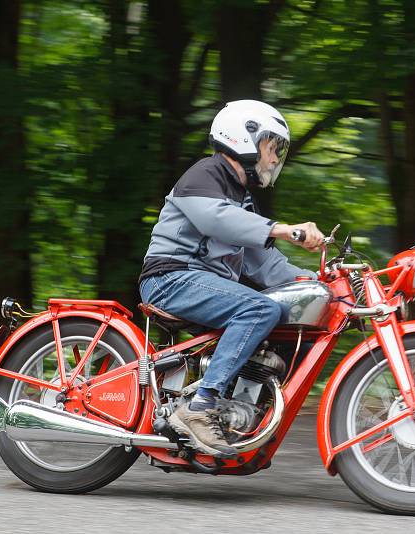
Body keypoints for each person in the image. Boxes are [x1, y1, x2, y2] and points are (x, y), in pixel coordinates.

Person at [138, 100, 324, 457]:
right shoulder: (205, 174)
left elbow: (263, 262)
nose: (274, 159)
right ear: (244, 139)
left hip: (199, 284)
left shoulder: (241, 197)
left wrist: (315, 283)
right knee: (259, 310)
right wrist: (284, 230)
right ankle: (200, 407)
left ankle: (234, 410)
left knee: (286, 314)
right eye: (272, 148)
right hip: (171, 278)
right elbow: (216, 220)